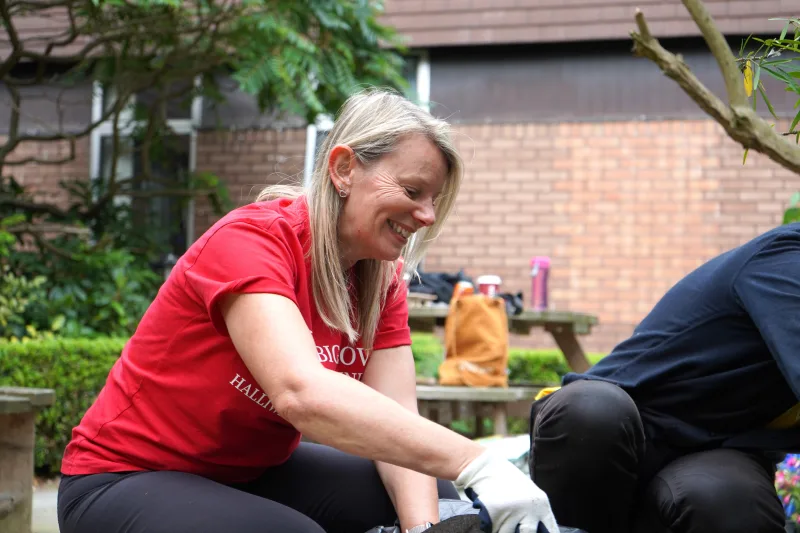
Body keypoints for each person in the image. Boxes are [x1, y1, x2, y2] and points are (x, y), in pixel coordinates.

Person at [56, 88, 559, 533]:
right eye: (412, 191)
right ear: (343, 169)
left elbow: (398, 420)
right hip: (124, 479)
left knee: (440, 501)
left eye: (433, 199)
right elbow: (302, 394)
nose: (427, 215)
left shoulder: (381, 279)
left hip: (246, 473)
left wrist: (424, 529)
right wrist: (478, 461)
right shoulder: (252, 241)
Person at [527, 222, 800, 533]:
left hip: (717, 452)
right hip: (622, 432)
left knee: (733, 501)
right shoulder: (784, 258)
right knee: (592, 412)